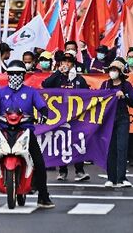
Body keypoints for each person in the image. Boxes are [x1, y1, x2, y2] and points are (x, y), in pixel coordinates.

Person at [0, 61, 55, 209]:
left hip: (25, 130)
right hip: (4, 131)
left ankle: (43, 196)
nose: (15, 76)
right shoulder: (0, 92)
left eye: (18, 74)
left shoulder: (31, 92)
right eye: (12, 74)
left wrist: (43, 115)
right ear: (7, 75)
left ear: (24, 75)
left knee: (40, 162)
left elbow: (42, 107)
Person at [42, 51, 90, 181]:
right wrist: (58, 72)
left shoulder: (79, 79)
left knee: (77, 142)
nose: (66, 64)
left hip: (76, 116)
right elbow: (45, 85)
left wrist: (74, 80)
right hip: (60, 116)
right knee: (61, 142)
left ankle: (79, 171)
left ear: (73, 64)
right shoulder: (57, 77)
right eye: (64, 62)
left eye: (68, 62)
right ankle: (62, 171)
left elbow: (88, 94)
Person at [101, 57, 133, 188]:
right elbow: (98, 100)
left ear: (120, 72)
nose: (112, 72)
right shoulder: (105, 85)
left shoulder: (126, 85)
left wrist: (124, 96)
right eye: (111, 69)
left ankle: (122, 177)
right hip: (108, 120)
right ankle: (111, 178)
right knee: (110, 149)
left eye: (115, 70)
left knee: (122, 147)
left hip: (122, 118)